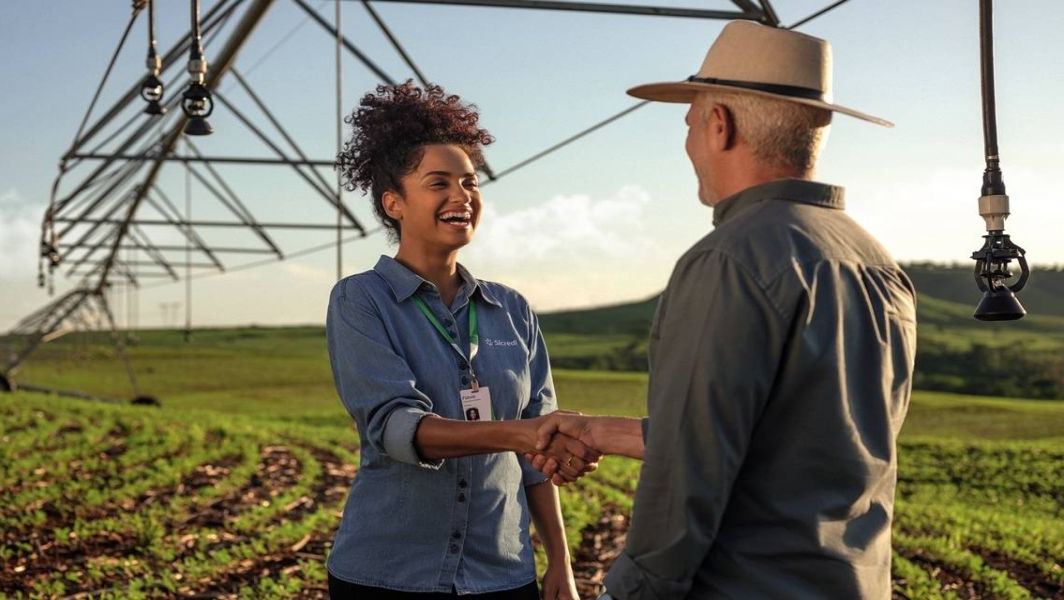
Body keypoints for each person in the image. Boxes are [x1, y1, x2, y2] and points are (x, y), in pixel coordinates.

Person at [531, 21, 918, 599]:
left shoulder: (730, 259)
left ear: (720, 124)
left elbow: (691, 468)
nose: (688, 144)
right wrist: (599, 431)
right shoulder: (876, 261)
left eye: (690, 124)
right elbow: (791, 438)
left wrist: (632, 591)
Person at [325, 81, 598, 599]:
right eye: (439, 183)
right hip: (390, 576)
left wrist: (559, 561)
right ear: (394, 203)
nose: (462, 196)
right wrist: (520, 433)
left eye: (471, 183)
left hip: (502, 574)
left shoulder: (511, 309)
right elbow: (398, 427)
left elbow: (537, 457)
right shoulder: (361, 301)